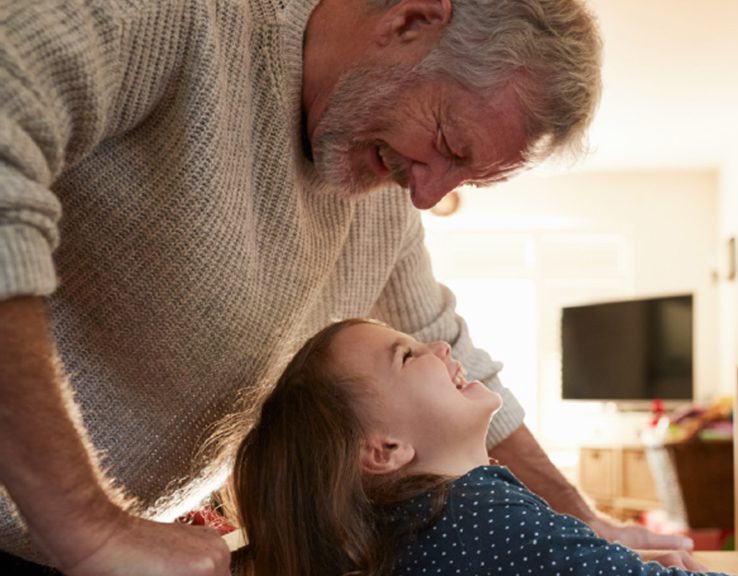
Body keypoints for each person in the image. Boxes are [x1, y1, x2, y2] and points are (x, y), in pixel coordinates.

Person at [0, 0, 694, 573]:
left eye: (468, 177)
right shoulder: (186, 20)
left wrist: (582, 522)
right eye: (450, 144)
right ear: (410, 20)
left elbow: (443, 343)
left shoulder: (380, 201)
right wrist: (85, 524)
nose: (427, 196)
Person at [229, 318, 738, 576]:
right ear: (383, 448)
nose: (443, 349)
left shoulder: (415, 532)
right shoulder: (475, 515)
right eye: (408, 356)